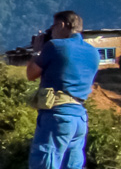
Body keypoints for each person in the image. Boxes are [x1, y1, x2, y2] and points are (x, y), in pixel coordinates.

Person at [25, 11, 99, 169]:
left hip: (57, 116)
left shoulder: (54, 46)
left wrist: (37, 50)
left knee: (45, 161)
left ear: (62, 25)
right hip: (79, 117)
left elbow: (31, 74)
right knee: (72, 164)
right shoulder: (93, 52)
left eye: (52, 28)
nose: (51, 33)